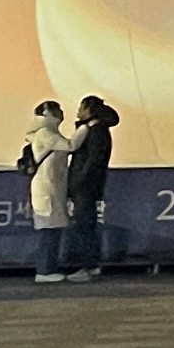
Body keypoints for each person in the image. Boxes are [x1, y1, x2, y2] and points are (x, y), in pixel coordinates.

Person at [21, 99, 77, 282]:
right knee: (49, 230)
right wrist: (85, 129)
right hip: (47, 189)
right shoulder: (45, 134)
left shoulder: (46, 133)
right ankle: (45, 271)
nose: (61, 113)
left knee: (53, 228)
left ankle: (48, 268)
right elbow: (70, 146)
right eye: (57, 110)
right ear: (47, 115)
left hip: (51, 188)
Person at [67, 93, 119, 278]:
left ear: (89, 109)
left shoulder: (96, 131)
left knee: (85, 226)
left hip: (85, 187)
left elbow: (92, 161)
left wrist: (78, 181)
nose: (78, 111)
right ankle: (91, 266)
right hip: (87, 185)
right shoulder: (97, 129)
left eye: (81, 107)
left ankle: (88, 267)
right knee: (86, 225)